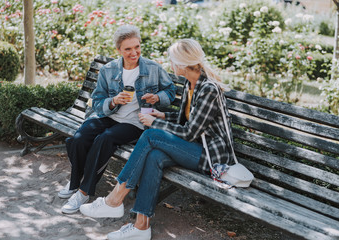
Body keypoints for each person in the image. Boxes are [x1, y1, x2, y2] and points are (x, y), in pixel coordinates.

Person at [79, 39, 234, 240]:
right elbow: (188, 120)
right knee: (154, 156)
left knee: (151, 134)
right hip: (194, 147)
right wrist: (162, 115)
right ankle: (141, 226)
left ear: (182, 63)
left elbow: (189, 133)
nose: (170, 63)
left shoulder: (208, 89)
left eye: (172, 59)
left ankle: (114, 200)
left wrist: (154, 123)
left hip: (211, 157)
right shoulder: (191, 83)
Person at [59, 25, 176, 214]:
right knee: (79, 137)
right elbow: (97, 102)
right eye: (128, 49)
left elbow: (170, 91)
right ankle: (74, 184)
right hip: (109, 116)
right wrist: (113, 101)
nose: (134, 52)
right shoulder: (108, 70)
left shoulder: (153, 68)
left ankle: (83, 191)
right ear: (118, 50)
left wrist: (157, 98)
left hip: (136, 122)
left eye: (137, 47)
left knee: (104, 139)